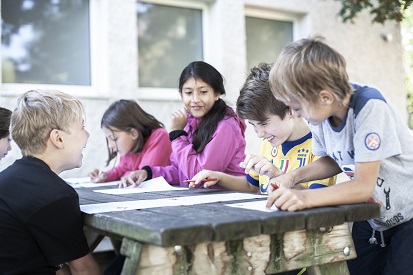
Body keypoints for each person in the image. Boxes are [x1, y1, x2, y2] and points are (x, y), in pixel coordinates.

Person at [266, 37, 413, 275]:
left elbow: (363, 186)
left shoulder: (370, 108)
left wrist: (304, 198)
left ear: (324, 97)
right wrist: (292, 178)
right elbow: (333, 159)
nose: (293, 113)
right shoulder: (319, 115)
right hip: (374, 218)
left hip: (409, 215)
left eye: (297, 106)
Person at [189, 63, 335, 193]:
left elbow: (317, 199)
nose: (259, 134)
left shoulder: (319, 147)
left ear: (290, 109)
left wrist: (278, 176)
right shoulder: (269, 143)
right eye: (254, 126)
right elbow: (250, 186)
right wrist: (219, 177)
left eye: (264, 124)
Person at [0, 89, 101, 274]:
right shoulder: (55, 195)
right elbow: (85, 270)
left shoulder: (6, 179)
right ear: (58, 138)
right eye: (82, 127)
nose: (87, 135)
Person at [120, 61, 247, 188]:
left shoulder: (226, 126)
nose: (195, 99)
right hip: (203, 201)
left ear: (216, 94)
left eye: (203, 92)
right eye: (188, 92)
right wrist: (148, 173)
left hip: (230, 199)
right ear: (181, 94)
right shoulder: (187, 124)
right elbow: (181, 172)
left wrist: (176, 136)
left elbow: (199, 177)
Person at [89, 99, 171, 182]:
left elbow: (142, 175)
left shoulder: (159, 136)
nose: (110, 145)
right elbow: (120, 170)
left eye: (114, 138)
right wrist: (105, 175)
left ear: (133, 133)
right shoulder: (131, 146)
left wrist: (126, 174)